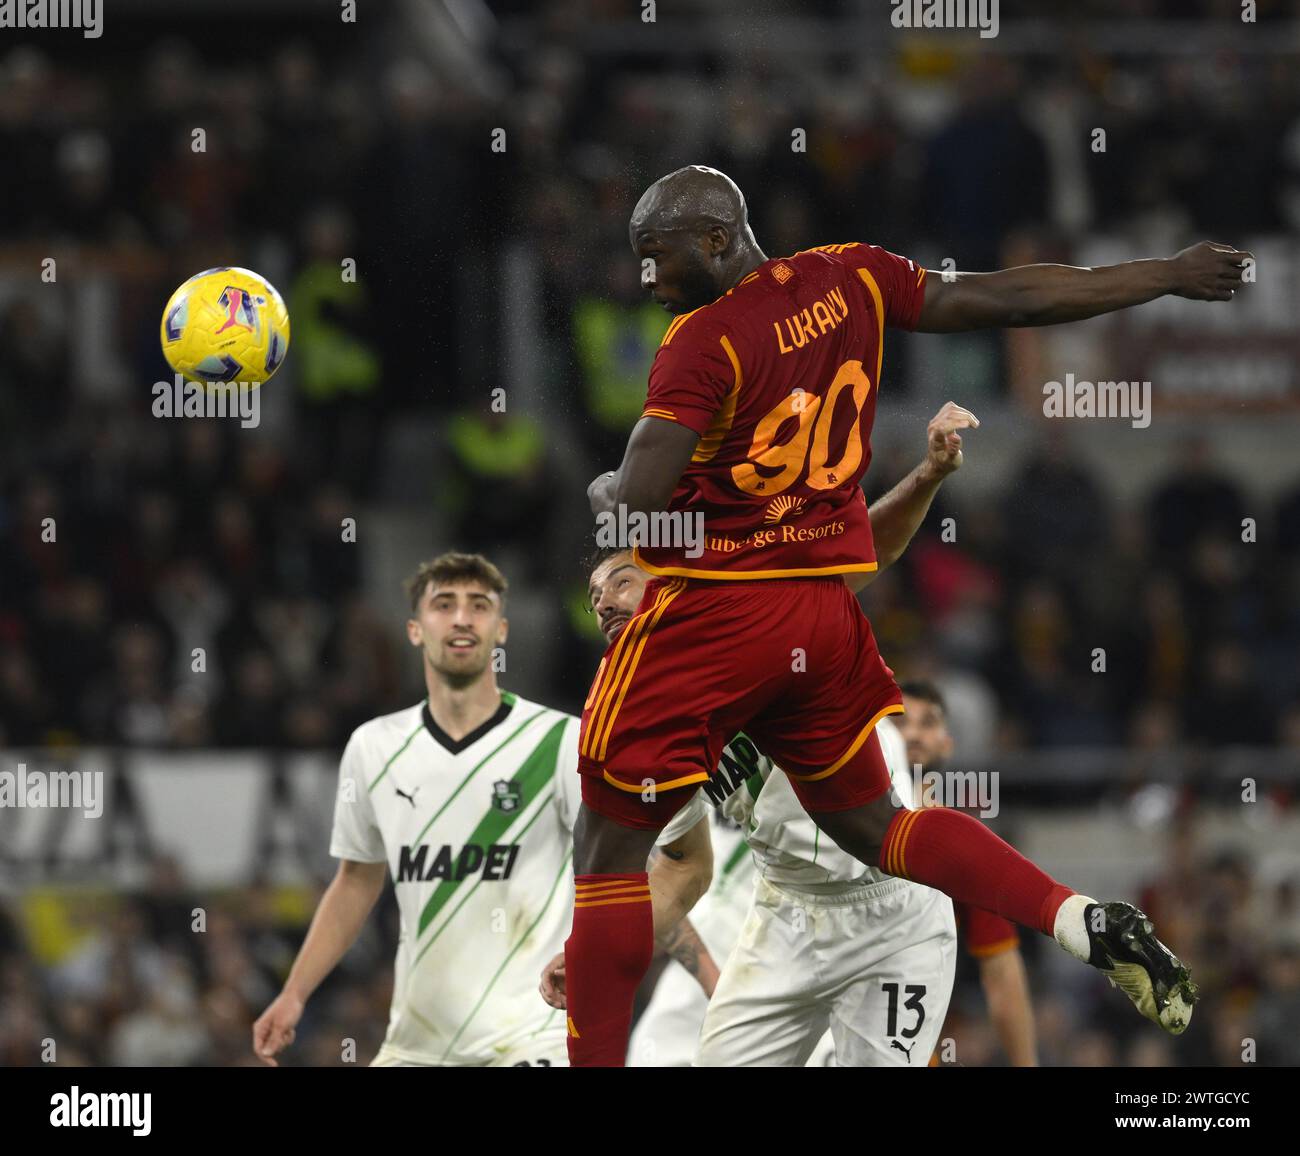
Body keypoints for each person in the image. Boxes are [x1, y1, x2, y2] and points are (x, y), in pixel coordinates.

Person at [566, 165, 1242, 1065]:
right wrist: (1162, 273)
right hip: (821, 614)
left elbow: (636, 510)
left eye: (657, 258)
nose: (646, 280)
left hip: (717, 615)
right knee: (879, 827)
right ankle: (1077, 916)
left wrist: (608, 487)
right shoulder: (853, 274)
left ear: (720, 240)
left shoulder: (702, 342)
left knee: (605, 847)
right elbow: (1011, 298)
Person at [549, 404, 974, 1066]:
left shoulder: (751, 607)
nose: (603, 601)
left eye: (621, 581)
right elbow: (683, 869)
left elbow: (870, 551)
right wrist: (592, 957)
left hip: (885, 903)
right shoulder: (646, 717)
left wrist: (926, 476)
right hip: (785, 914)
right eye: (594, 595)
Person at [251, 551, 713, 1067]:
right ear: (414, 630)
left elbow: (641, 877)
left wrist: (711, 977)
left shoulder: (564, 741)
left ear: (502, 631)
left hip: (533, 1038)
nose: (462, 618)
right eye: (443, 604)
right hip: (417, 1044)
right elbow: (356, 880)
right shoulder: (373, 746)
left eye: (479, 605)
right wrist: (294, 993)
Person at [899, 680, 1038, 1067]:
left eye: (927, 723)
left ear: (947, 743)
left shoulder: (961, 845)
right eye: (900, 722)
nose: (912, 733)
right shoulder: (832, 820)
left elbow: (1001, 970)